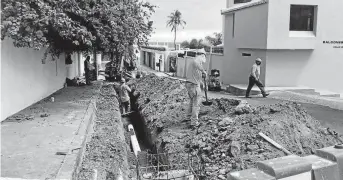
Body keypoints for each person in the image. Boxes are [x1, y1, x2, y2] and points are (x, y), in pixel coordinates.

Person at [184, 49, 207, 128]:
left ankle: (188, 118)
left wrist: (202, 84)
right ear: (202, 55)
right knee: (196, 104)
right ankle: (194, 122)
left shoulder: (196, 65)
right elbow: (197, 63)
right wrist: (203, 71)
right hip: (193, 85)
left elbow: (197, 77)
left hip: (191, 84)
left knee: (192, 102)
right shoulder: (196, 61)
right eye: (204, 56)